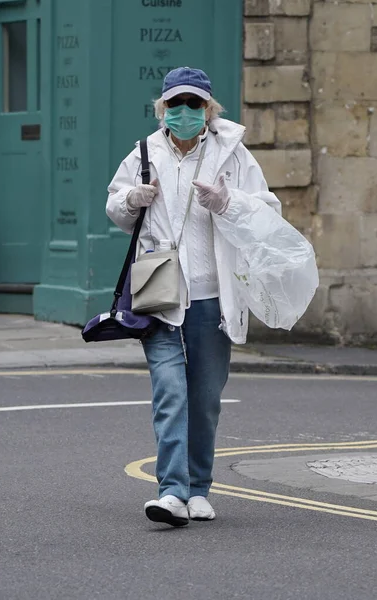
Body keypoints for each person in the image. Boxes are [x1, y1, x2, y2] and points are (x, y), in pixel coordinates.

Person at [106, 67, 281, 527]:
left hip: (213, 294)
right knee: (170, 393)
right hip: (159, 292)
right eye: (175, 105)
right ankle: (172, 492)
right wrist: (132, 199)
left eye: (194, 104)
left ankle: (199, 487)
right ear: (163, 108)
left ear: (209, 108)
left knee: (204, 397)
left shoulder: (233, 155)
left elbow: (268, 210)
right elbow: (115, 204)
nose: (184, 113)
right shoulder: (144, 151)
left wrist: (228, 203)